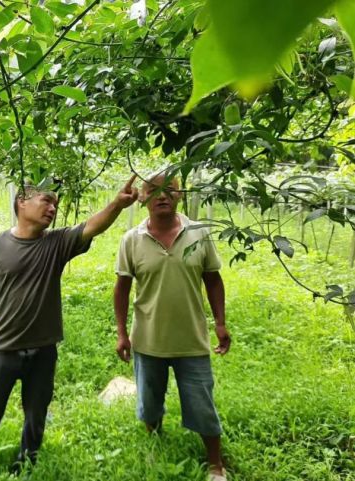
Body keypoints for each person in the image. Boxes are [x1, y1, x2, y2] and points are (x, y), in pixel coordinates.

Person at [0, 175, 139, 476]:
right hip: (1, 349)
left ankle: (27, 463)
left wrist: (117, 205)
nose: (53, 208)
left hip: (43, 349)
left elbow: (92, 225)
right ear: (22, 202)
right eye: (46, 200)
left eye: (55, 204)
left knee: (36, 413)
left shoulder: (56, 244)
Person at [114, 170, 231, 481]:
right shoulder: (131, 240)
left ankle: (215, 464)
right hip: (148, 340)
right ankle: (154, 442)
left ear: (180, 195)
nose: (161, 195)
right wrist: (122, 333)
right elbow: (122, 288)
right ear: (142, 198)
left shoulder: (199, 234)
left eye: (170, 189)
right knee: (149, 402)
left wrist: (220, 323)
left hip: (191, 340)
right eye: (152, 190)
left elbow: (213, 280)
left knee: (202, 402)